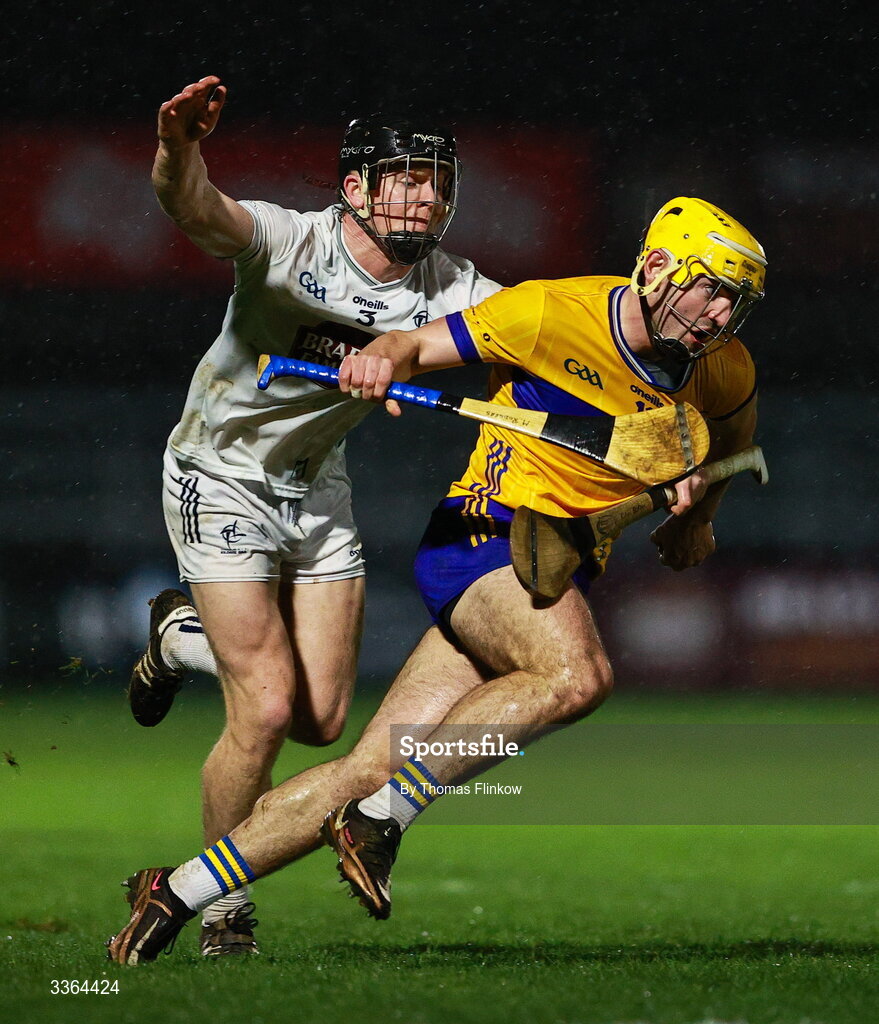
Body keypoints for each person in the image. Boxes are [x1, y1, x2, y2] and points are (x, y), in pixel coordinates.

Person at [107, 195, 767, 964]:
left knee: (364, 763)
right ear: (655, 268)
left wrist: (693, 519)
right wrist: (378, 361)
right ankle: (383, 819)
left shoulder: (724, 367)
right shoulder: (549, 314)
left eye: (735, 300)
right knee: (576, 676)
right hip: (484, 537)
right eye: (708, 286)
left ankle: (177, 890)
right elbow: (414, 346)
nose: (718, 311)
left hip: (554, 566)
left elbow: (726, 443)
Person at [127, 75, 501, 957]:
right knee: (259, 711)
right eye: (403, 178)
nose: (424, 195)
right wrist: (178, 148)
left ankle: (179, 639)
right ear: (355, 190)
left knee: (322, 721)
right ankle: (224, 911)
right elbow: (196, 210)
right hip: (219, 473)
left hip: (317, 486)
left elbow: (550, 335)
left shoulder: (453, 285)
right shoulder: (289, 243)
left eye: (435, 180)